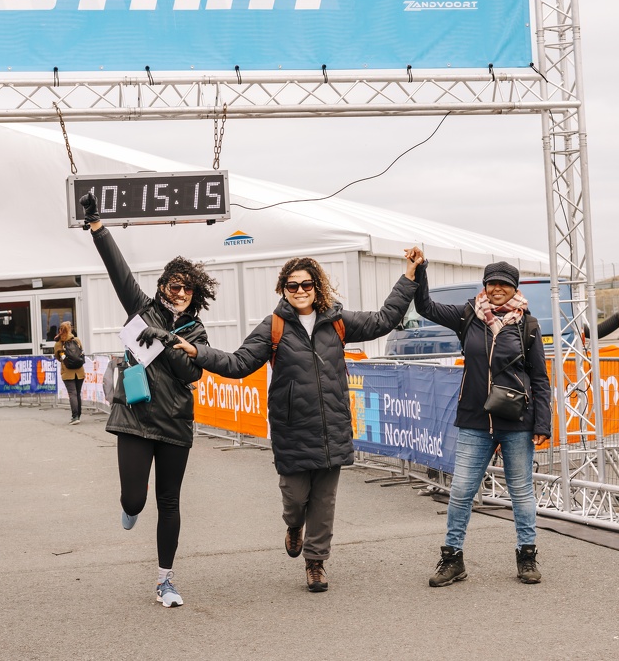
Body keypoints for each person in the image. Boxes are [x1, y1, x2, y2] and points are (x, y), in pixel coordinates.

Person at [172, 254, 420, 593]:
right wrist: (199, 353)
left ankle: (316, 562)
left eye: (306, 284)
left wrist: (408, 277)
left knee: (324, 500)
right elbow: (239, 362)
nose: (300, 290)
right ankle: (293, 527)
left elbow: (384, 319)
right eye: (293, 285)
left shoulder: (337, 320)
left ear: (316, 287)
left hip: (332, 426)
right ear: (284, 289)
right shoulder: (273, 325)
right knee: (295, 498)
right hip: (291, 428)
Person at [79, 192, 218, 609]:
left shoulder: (196, 332)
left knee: (169, 502)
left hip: (175, 424)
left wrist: (169, 340)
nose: (180, 294)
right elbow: (117, 270)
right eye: (174, 287)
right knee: (134, 500)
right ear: (162, 287)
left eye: (187, 290)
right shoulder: (141, 309)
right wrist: (97, 226)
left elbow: (191, 373)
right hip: (136, 418)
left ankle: (165, 580)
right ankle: (129, 508)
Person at [408, 253, 551, 586]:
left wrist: (542, 424)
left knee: (521, 493)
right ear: (484, 287)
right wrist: (421, 271)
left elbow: (540, 378)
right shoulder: (467, 316)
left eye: (504, 283)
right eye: (492, 283)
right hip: (475, 419)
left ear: (513, 287)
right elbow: (425, 306)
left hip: (517, 420)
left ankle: (527, 557)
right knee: (460, 491)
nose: (497, 289)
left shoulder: (527, 325)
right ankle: (452, 559)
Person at [53, 321, 86, 425]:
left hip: (67, 373)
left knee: (72, 394)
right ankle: (78, 415)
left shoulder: (58, 343)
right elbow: (81, 353)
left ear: (61, 330)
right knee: (77, 394)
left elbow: (58, 358)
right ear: (70, 329)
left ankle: (74, 416)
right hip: (80, 372)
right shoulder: (77, 340)